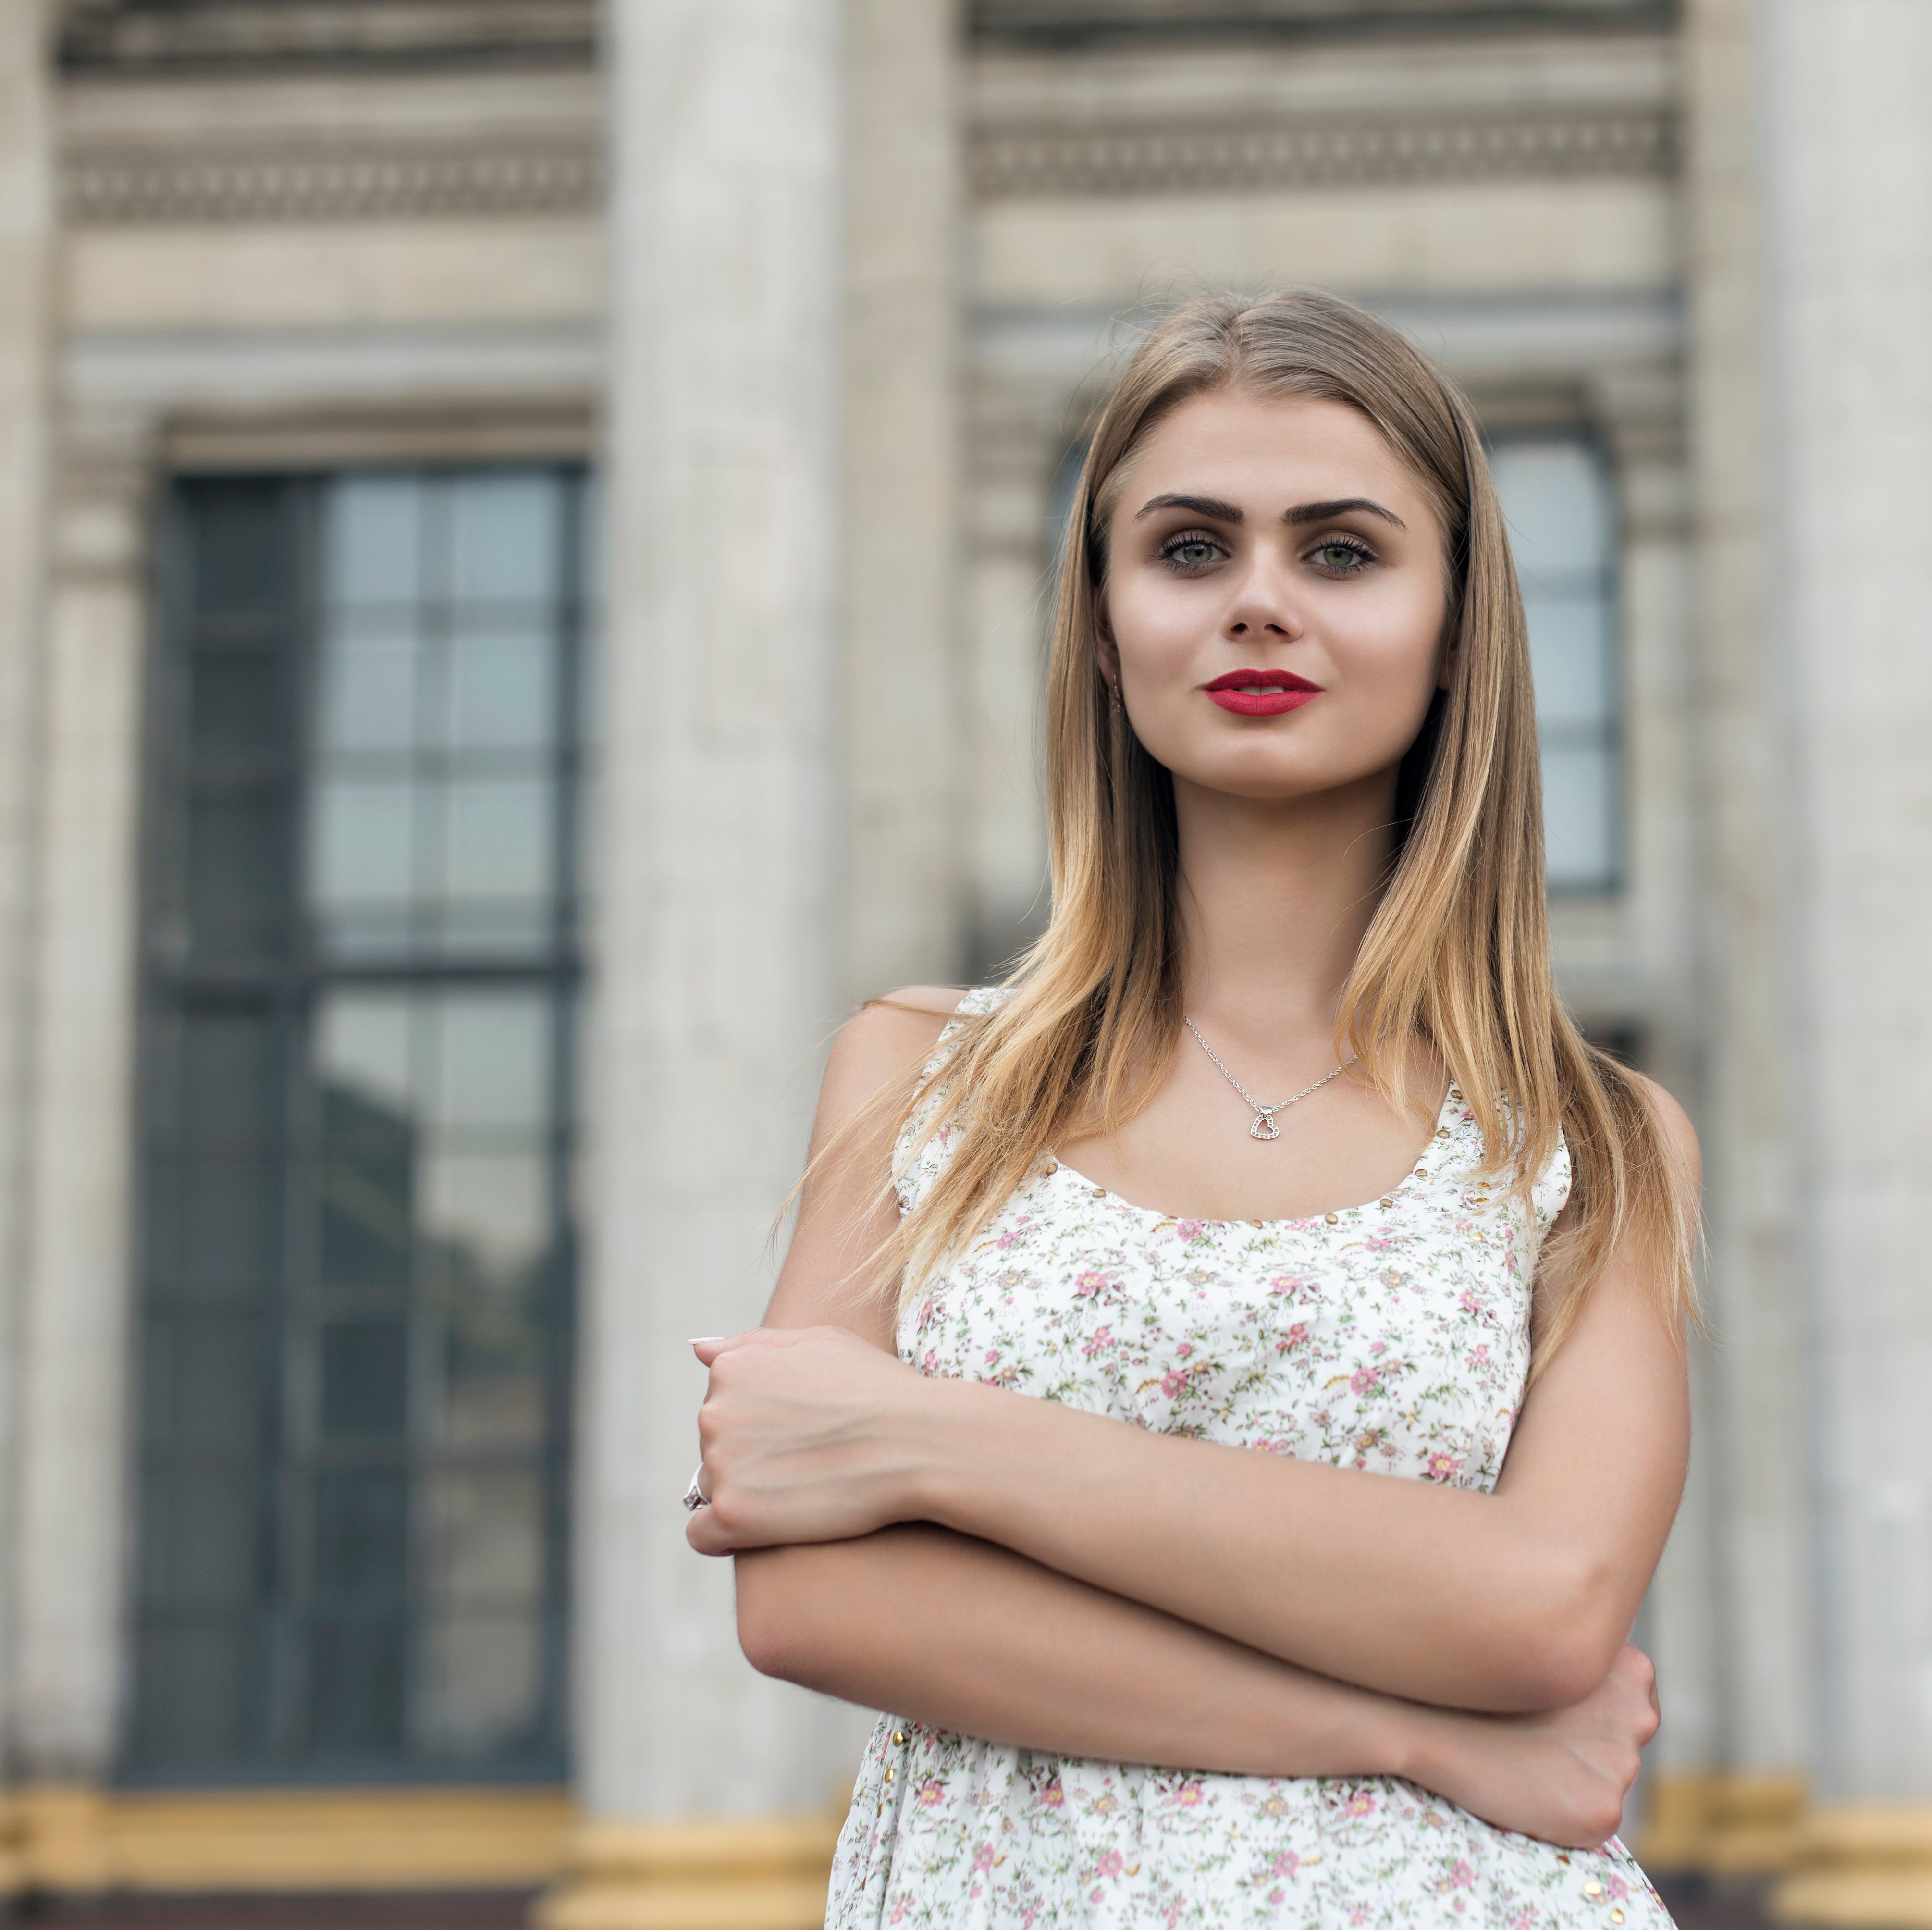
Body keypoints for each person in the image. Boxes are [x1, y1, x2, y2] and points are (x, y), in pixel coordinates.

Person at [682, 286, 1700, 1927]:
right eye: (1191, 548)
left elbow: (1546, 1611)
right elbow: (811, 1602)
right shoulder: (920, 1076)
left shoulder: (1596, 1143)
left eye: (1344, 552)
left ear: (1457, 632)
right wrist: (1409, 1726)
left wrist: (934, 1440)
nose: (1261, 604)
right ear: (1102, 619)